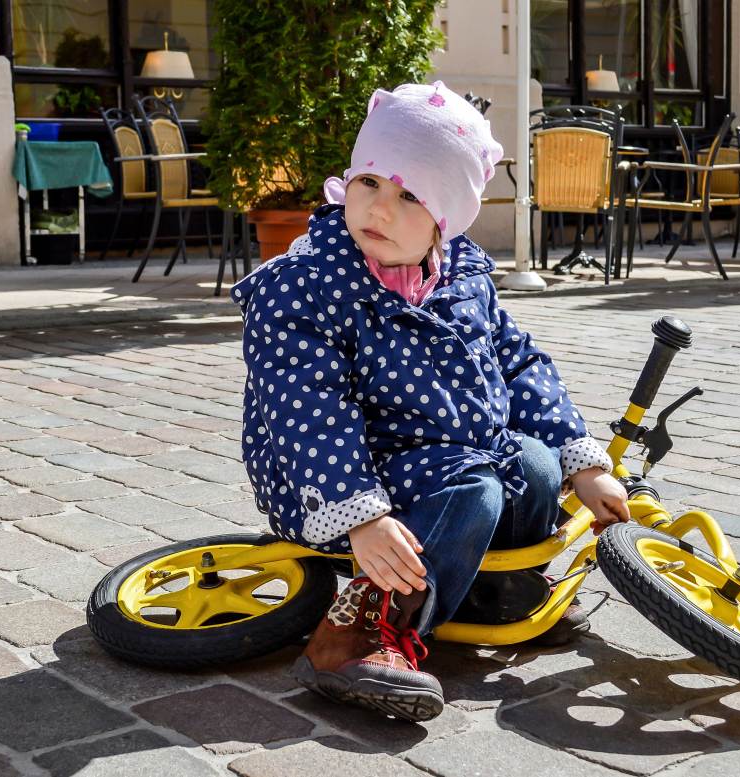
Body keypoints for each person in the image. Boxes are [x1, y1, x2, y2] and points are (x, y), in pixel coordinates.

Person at [230, 81, 630, 723]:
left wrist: (581, 462)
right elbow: (306, 406)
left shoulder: (463, 275)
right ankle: (359, 630)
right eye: (368, 184)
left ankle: (489, 589)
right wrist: (356, 513)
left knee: (532, 467)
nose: (378, 211)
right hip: (335, 475)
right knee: (473, 487)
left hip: (447, 455)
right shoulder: (303, 288)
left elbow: (519, 364)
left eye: (409, 195)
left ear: (445, 218)